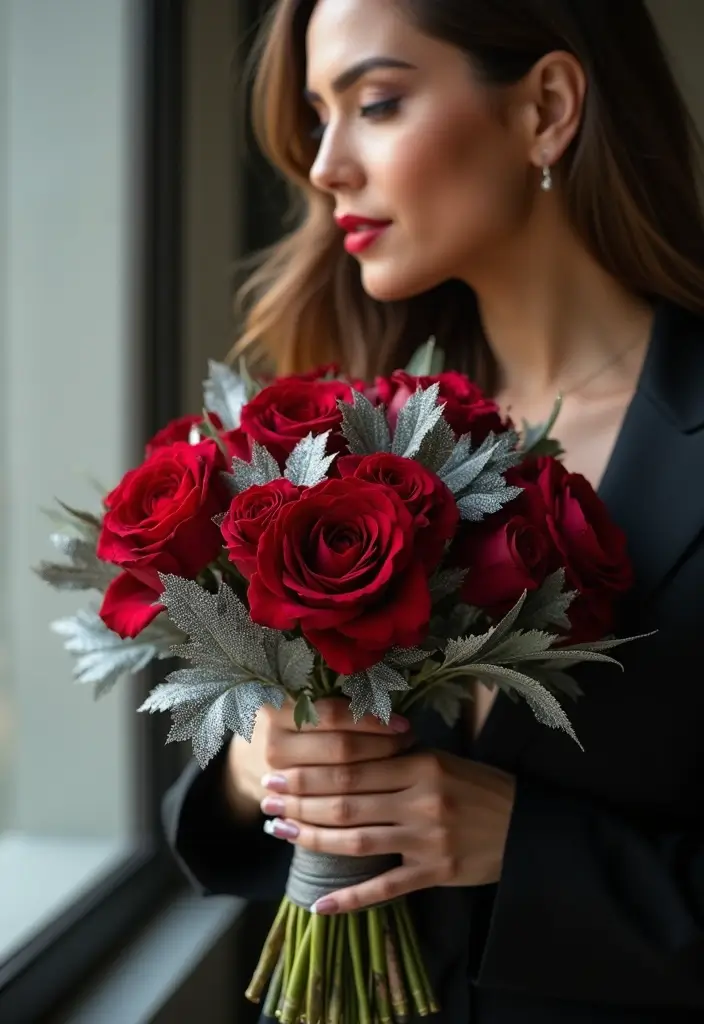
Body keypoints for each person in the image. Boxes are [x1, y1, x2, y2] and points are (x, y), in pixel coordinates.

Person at [162, 1, 704, 1020]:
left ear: (545, 108)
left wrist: (527, 848)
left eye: (374, 103)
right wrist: (256, 765)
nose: (325, 166)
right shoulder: (344, 428)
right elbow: (236, 806)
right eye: (316, 117)